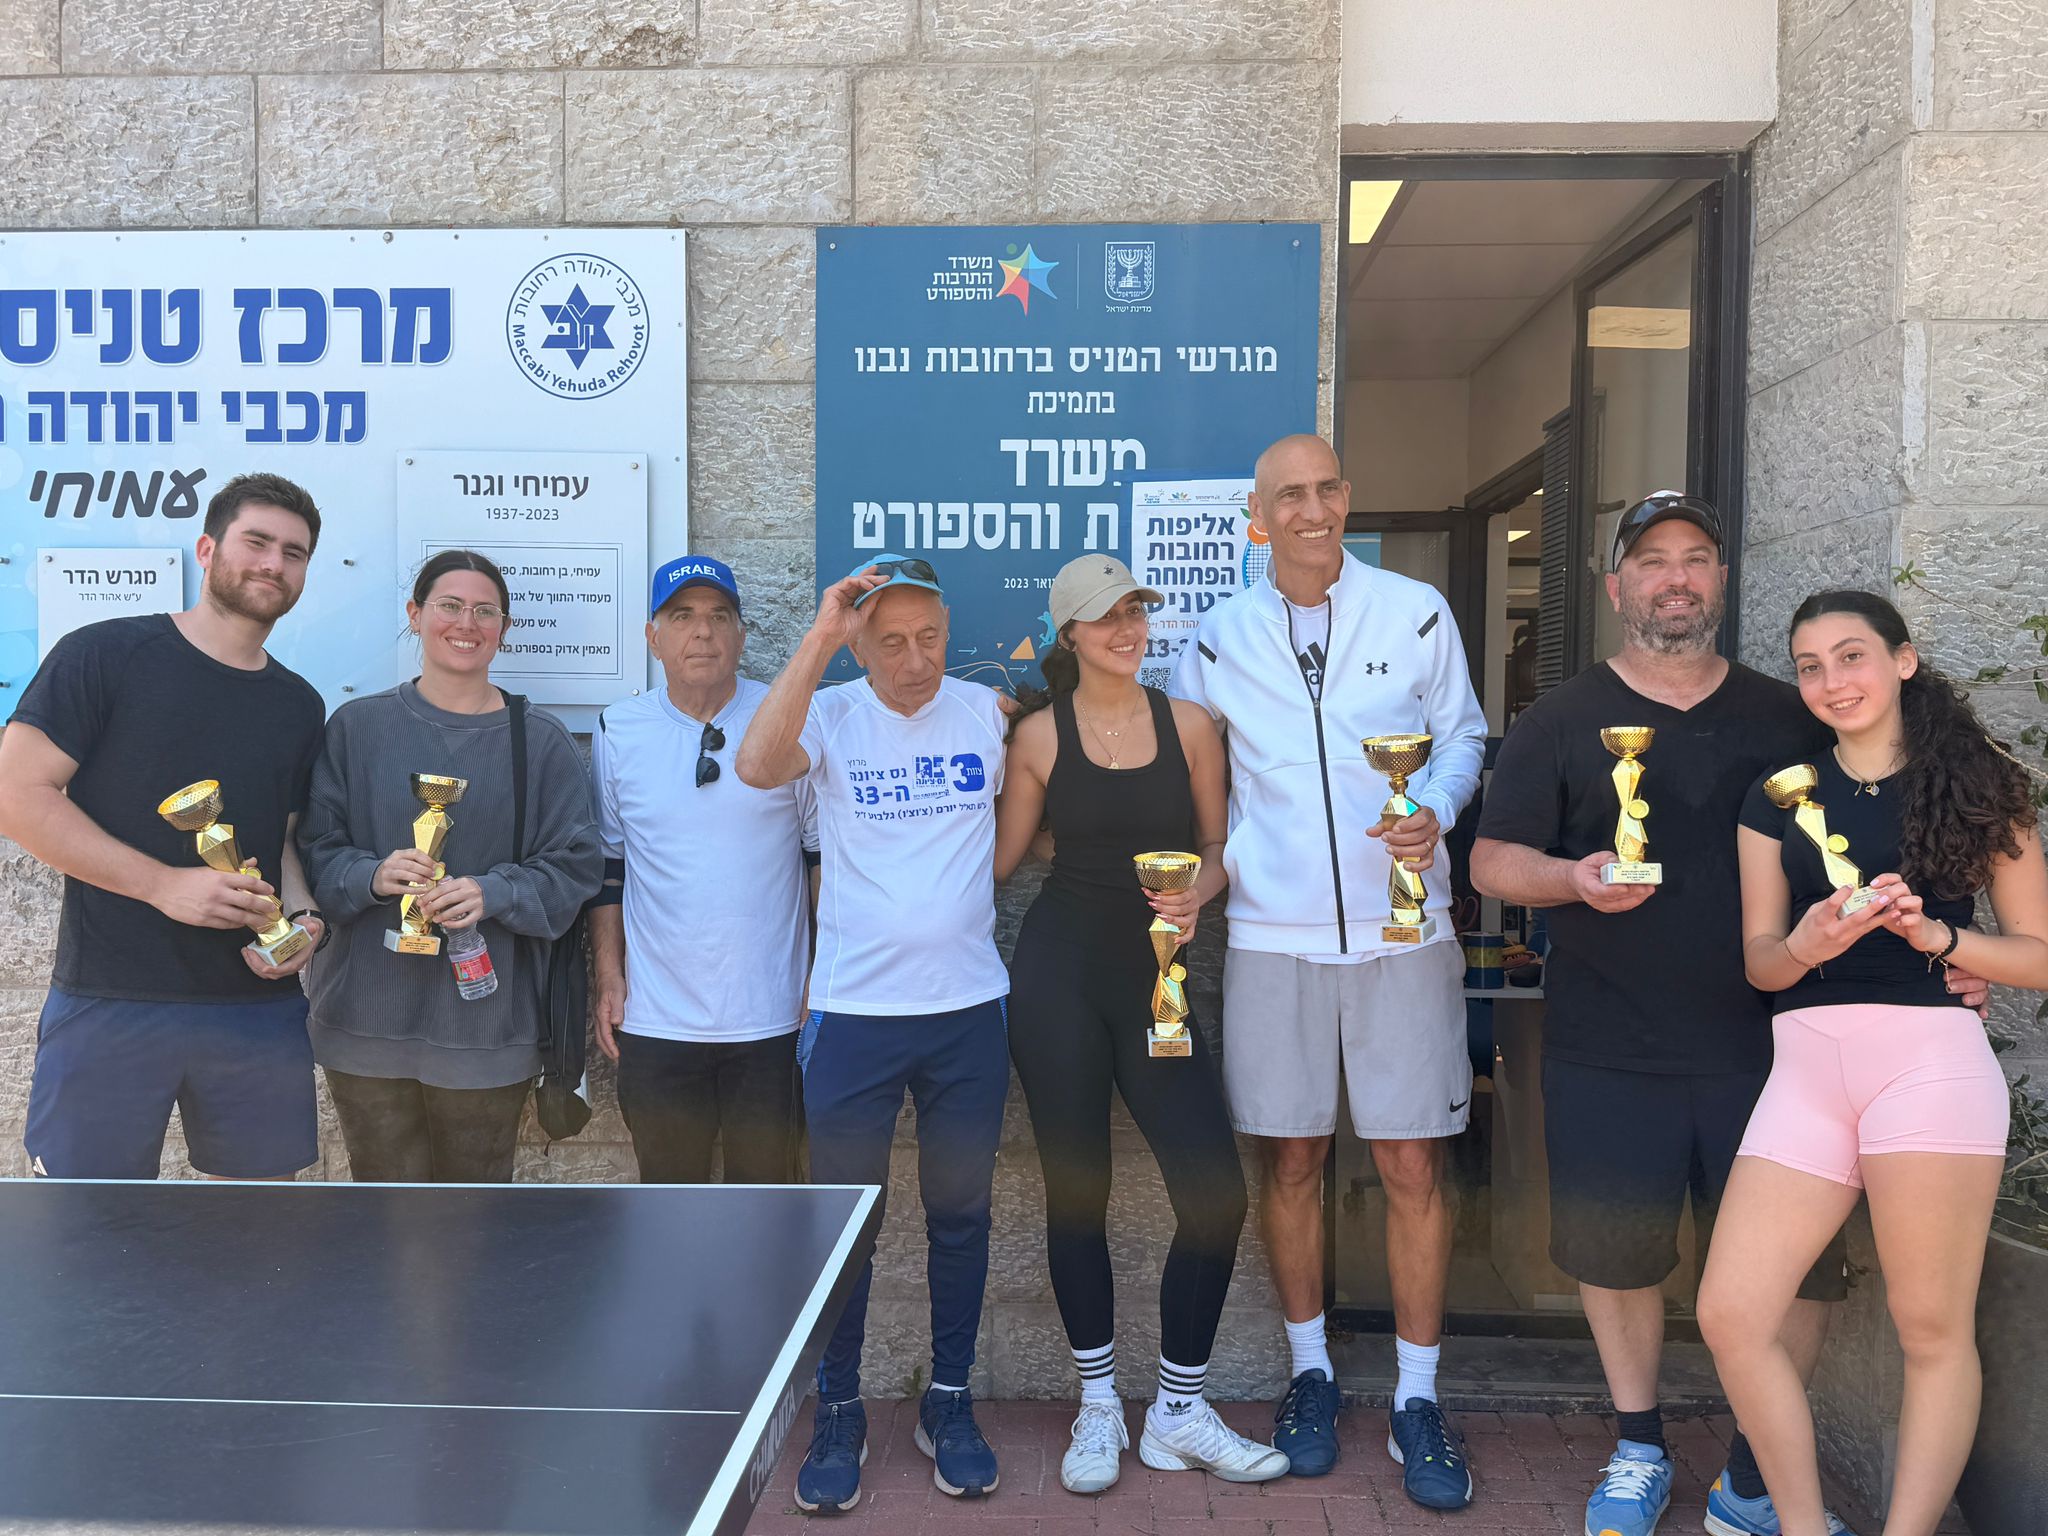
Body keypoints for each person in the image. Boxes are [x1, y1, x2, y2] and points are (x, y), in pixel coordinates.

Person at [1468, 495, 1972, 1536]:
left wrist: (1954, 954)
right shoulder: (1559, 719)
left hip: (1782, 1047)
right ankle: (1637, 1446)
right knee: (1614, 1255)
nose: (1676, 578)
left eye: (1695, 558)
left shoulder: (1791, 714)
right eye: (1652, 561)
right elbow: (1489, 859)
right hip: (1608, 1042)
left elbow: (1890, 830)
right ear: (1617, 587)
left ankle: (1751, 1475)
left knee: (1802, 1277)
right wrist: (1570, 877)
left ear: (1720, 581)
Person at [1169, 434, 1486, 1506]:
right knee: (1292, 1163)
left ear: (1346, 497)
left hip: (1404, 933)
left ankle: (1417, 1398)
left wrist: (1432, 805)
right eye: (1287, 496)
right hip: (1271, 938)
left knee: (1411, 1167)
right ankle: (1311, 1376)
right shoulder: (1216, 639)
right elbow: (1202, 791)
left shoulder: (1416, 611)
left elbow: (1462, 737)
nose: (1311, 510)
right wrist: (1202, 880)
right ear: (1256, 518)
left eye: (1325, 490)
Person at [1698, 589, 2048, 1536]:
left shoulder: (1979, 785)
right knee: (1732, 1314)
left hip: (1929, 1067)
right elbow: (1761, 963)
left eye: (1851, 656)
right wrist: (1805, 943)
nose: (1831, 681)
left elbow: (2038, 952)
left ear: (1902, 660)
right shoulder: (1776, 795)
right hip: (1806, 1073)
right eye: (1809, 667)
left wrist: (1942, 937)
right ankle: (1799, 1524)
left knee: (1931, 1329)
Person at [995, 555, 1287, 1493]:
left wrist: (1201, 891)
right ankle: (1096, 1406)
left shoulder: (1190, 725)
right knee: (1076, 1194)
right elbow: (999, 859)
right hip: (1060, 979)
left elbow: (1217, 845)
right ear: (1069, 634)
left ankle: (1177, 1411)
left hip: (1160, 979)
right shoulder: (1037, 736)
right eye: (1105, 616)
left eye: (1135, 610)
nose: (1126, 629)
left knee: (1216, 1196)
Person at [737, 554, 1011, 1511]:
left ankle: (949, 1399)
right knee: (846, 1223)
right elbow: (755, 766)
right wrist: (821, 637)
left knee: (961, 1215)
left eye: (928, 638)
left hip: (968, 1013)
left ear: (948, 632)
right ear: (861, 646)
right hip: (853, 1014)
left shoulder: (989, 713)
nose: (914, 660)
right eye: (890, 642)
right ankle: (840, 1406)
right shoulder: (830, 714)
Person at [0, 473, 328, 1179]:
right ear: (207, 550)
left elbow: (282, 838)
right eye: (257, 541)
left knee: (265, 1229)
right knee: (87, 1222)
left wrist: (302, 918)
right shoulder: (104, 655)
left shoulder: (299, 704)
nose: (273, 563)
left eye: (293, 552)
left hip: (256, 1006)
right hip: (112, 997)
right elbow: (16, 795)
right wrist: (162, 886)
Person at [297, 550, 603, 1182]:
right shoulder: (356, 727)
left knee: (475, 1219)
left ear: (504, 628)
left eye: (485, 610)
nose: (467, 623)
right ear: (415, 615)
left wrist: (493, 893)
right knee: (384, 1214)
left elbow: (576, 867)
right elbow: (314, 851)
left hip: (487, 1030)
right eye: (450, 605)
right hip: (365, 1024)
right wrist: (370, 875)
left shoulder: (540, 740)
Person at [589, 554, 819, 1184]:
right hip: (657, 1021)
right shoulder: (619, 729)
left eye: (720, 616)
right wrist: (608, 974)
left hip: (774, 1018)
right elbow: (610, 866)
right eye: (682, 616)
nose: (702, 632)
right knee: (668, 1206)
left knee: (767, 1207)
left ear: (742, 635)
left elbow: (819, 856)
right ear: (653, 637)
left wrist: (821, 973)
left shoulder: (790, 719)